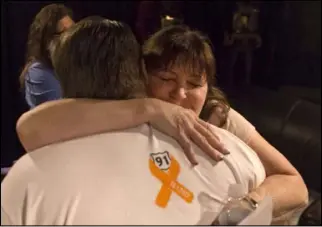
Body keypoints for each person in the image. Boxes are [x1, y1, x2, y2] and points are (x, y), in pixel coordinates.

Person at [16, 25, 308, 223]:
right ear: (143, 76)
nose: (180, 95)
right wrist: (151, 108)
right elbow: (32, 127)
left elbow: (295, 183)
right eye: (167, 79)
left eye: (195, 83)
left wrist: (249, 205)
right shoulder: (130, 109)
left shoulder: (220, 118)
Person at [20, 4, 74, 109]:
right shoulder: (38, 71)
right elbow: (65, 112)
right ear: (47, 40)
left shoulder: (75, 66)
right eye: (64, 32)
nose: (72, 37)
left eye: (73, 30)